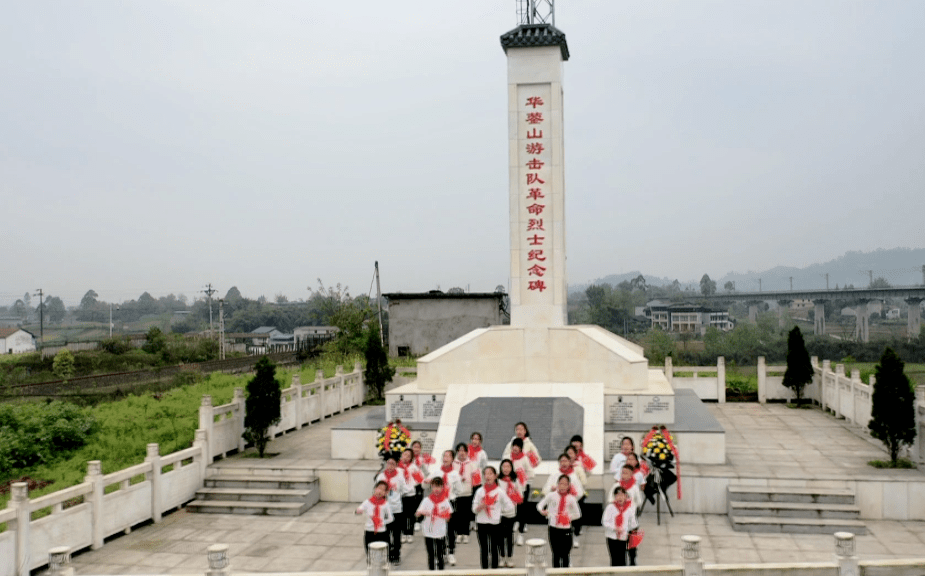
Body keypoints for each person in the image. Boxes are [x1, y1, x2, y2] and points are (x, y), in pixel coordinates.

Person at [472, 466, 514, 569]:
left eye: (490, 473)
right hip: (481, 523)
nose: (488, 476)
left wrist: (500, 511)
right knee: (484, 549)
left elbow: (510, 506)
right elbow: (473, 509)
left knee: (494, 548)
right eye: (486, 474)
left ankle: (495, 570)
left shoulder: (500, 491)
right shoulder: (479, 491)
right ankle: (484, 570)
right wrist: (480, 507)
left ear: (495, 476)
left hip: (495, 523)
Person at [426, 450, 462, 566]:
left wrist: (451, 496)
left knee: (450, 529)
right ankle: (441, 553)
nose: (445, 458)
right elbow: (426, 483)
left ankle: (451, 552)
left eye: (448, 456)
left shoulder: (455, 474)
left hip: (450, 503)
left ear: (452, 459)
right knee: (439, 529)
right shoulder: (437, 472)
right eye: (444, 456)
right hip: (438, 504)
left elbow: (459, 490)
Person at [536, 475, 581, 568]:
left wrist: (568, 518)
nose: (563, 486)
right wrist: (542, 511)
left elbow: (578, 514)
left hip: (566, 528)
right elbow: (540, 505)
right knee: (555, 553)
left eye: (565, 484)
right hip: (553, 527)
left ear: (569, 486)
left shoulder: (571, 498)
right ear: (557, 484)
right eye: (561, 484)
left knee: (565, 554)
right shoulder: (552, 495)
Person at [542, 454, 585, 548]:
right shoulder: (555, 475)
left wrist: (570, 497)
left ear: (570, 462)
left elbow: (580, 492)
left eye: (566, 461)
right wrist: (552, 490)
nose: (564, 463)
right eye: (561, 461)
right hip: (555, 506)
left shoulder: (573, 476)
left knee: (567, 528)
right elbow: (546, 489)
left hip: (567, 507)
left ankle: (573, 540)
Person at [375, 456, 408, 565]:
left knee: (396, 533)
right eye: (388, 463)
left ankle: (396, 555)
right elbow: (376, 491)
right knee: (385, 533)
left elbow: (404, 489)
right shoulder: (381, 476)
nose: (390, 466)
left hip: (396, 509)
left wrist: (396, 496)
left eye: (393, 464)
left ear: (396, 465)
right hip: (384, 509)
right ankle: (387, 554)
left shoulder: (399, 476)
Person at [415, 477, 453, 571]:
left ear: (442, 487)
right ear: (431, 486)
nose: (436, 489)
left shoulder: (445, 501)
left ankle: (441, 572)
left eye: (439, 486)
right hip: (428, 531)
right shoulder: (426, 500)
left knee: (440, 554)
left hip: (440, 532)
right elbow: (417, 514)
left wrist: (444, 515)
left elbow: (449, 518)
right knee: (431, 554)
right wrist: (422, 512)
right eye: (434, 486)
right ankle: (431, 572)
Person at [356, 481, 394, 560]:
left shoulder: (385, 504)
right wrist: (358, 510)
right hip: (369, 530)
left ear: (386, 493)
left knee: (383, 554)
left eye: (383, 490)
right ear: (375, 489)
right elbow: (360, 509)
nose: (380, 491)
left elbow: (390, 518)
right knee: (370, 554)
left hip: (382, 532)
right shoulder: (368, 502)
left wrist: (381, 522)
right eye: (379, 488)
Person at [496, 459, 523, 567]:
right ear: (501, 468)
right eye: (504, 466)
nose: (506, 469)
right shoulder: (497, 480)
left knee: (509, 535)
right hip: (499, 513)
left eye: (508, 466)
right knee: (500, 536)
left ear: (511, 468)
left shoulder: (515, 481)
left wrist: (513, 497)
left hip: (511, 512)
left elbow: (520, 495)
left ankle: (510, 557)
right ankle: (502, 557)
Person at [602, 486, 637, 567]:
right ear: (614, 497)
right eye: (617, 495)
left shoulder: (629, 509)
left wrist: (627, 530)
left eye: (622, 495)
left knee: (622, 559)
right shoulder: (610, 507)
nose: (620, 497)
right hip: (611, 537)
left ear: (626, 496)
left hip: (623, 537)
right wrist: (615, 528)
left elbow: (633, 524)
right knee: (614, 558)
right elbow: (604, 521)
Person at [452, 442, 479, 545]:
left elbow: (476, 478)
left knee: (466, 514)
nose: (461, 453)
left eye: (463, 450)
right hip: (457, 493)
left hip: (468, 492)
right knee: (458, 514)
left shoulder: (471, 463)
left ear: (467, 452)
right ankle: (459, 534)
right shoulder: (454, 463)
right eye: (459, 450)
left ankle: (466, 534)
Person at [398, 449, 424, 543]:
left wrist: (411, 485)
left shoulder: (413, 467)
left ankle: (410, 533)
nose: (406, 457)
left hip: (411, 494)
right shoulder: (398, 467)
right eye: (404, 454)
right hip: (400, 495)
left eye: (408, 456)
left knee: (410, 515)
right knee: (402, 515)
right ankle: (404, 533)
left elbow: (420, 479)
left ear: (411, 458)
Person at [564, 445, 587, 548]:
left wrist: (575, 488)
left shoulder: (578, 466)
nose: (569, 455)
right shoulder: (562, 468)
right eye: (567, 453)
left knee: (576, 518)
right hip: (565, 497)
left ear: (575, 455)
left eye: (571, 453)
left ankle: (576, 537)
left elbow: (584, 481)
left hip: (577, 496)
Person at [411, 440, 436, 533]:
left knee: (419, 502)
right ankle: (411, 521)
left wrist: (428, 478)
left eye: (418, 447)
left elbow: (426, 471)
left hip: (419, 484)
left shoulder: (422, 459)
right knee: (411, 503)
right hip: (410, 484)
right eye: (415, 447)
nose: (416, 449)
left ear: (420, 449)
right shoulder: (409, 458)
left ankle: (419, 521)